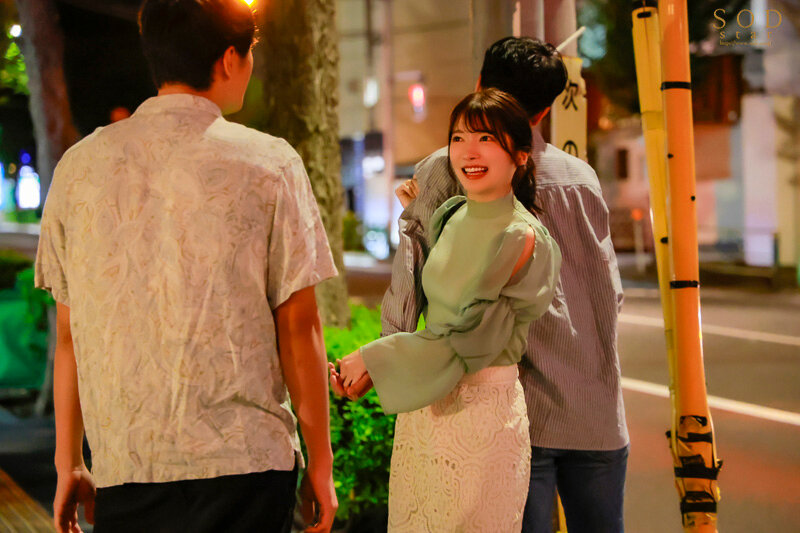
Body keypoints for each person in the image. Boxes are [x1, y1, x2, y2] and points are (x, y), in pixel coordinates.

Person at [35, 1, 337, 532]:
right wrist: (321, 462)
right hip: (247, 463)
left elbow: (68, 334)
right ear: (228, 59)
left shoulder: (78, 168)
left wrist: (70, 463)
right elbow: (298, 326)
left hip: (129, 462)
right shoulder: (270, 163)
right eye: (250, 53)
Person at [382, 37, 630, 533]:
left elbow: (410, 288)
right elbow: (611, 294)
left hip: (507, 410)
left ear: (480, 86)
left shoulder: (448, 169)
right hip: (597, 410)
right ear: (544, 111)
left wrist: (394, 366)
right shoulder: (581, 177)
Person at [332, 88, 562, 532]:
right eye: (459, 138)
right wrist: (377, 368)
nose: (468, 152)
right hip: (425, 410)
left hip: (481, 418)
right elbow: (434, 300)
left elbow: (466, 337)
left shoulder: (520, 236)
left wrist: (374, 358)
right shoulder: (452, 213)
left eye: (486, 139)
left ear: (520, 155)